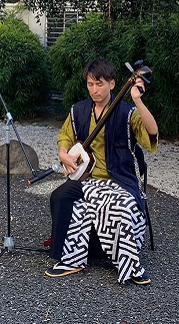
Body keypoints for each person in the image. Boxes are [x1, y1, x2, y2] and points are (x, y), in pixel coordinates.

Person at [45, 59, 158, 285]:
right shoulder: (79, 110)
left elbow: (152, 132)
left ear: (113, 84)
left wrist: (137, 100)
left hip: (117, 179)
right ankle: (70, 258)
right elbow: (65, 137)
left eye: (100, 84)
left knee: (123, 206)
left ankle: (130, 264)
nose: (94, 90)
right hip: (87, 178)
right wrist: (63, 154)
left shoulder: (127, 113)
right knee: (59, 196)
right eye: (90, 84)